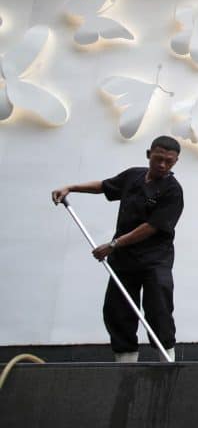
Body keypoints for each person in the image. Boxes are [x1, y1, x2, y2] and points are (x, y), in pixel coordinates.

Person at [51, 136, 184, 362]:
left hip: (155, 259)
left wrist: (113, 244)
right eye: (159, 158)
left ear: (175, 161)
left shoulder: (172, 191)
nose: (163, 165)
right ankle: (125, 360)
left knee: (158, 307)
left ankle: (166, 357)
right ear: (148, 154)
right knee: (118, 309)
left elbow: (151, 227)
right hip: (124, 259)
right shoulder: (133, 176)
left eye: (169, 161)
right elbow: (104, 186)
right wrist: (71, 188)